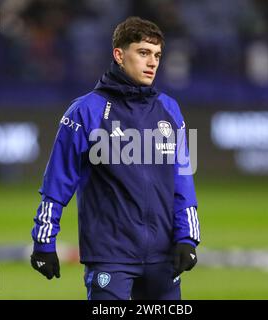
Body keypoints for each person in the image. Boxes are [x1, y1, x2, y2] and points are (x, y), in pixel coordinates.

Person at [30, 16, 200, 299]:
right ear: (119, 55)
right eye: (143, 53)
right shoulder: (85, 111)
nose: (152, 62)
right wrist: (44, 242)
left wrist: (187, 238)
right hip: (111, 258)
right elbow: (57, 183)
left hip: (163, 258)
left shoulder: (170, 110)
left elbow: (182, 181)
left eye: (157, 55)